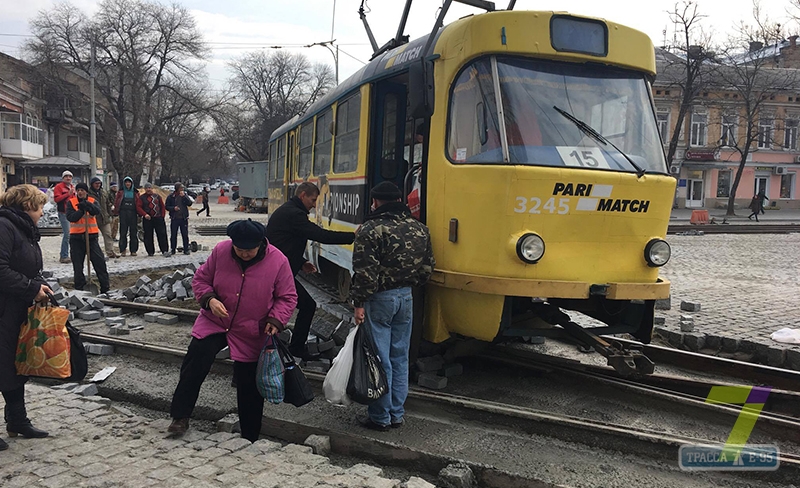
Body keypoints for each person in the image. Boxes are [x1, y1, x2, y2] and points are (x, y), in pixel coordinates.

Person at [168, 219, 297, 441]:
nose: (244, 254)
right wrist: (209, 300)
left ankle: (250, 435)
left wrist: (276, 320)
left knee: (249, 383)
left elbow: (287, 297)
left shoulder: (278, 261)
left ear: (261, 243)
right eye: (239, 249)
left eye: (250, 250)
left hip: (251, 328)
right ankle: (180, 416)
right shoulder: (221, 251)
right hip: (215, 320)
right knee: (195, 362)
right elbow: (201, 280)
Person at [350, 181, 435, 431]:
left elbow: (365, 272)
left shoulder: (371, 229)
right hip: (406, 297)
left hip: (379, 299)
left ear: (375, 202)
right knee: (400, 357)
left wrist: (358, 303)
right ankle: (397, 413)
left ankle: (380, 416)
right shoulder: (420, 229)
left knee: (379, 358)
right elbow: (427, 268)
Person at [265, 182, 355, 360]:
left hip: (276, 270)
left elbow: (283, 243)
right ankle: (295, 348)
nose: (314, 205)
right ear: (303, 195)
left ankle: (283, 344)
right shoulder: (294, 214)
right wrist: (353, 236)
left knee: (296, 305)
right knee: (307, 305)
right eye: (313, 200)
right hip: (276, 273)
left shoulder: (289, 211)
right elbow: (320, 235)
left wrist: (301, 262)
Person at [0, 185, 53, 451]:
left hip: (17, 309)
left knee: (15, 365)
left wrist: (41, 286)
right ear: (26, 206)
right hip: (3, 309)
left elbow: (29, 267)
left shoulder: (23, 230)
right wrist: (32, 289)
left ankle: (17, 420)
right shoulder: (4, 227)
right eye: (40, 206)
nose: (43, 213)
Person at [66, 183, 110, 294]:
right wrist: (81, 210)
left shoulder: (92, 200)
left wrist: (88, 206)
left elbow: (97, 211)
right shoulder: (71, 202)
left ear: (86, 191)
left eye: (82, 190)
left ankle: (105, 288)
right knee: (78, 266)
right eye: (78, 190)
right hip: (76, 239)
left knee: (99, 263)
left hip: (91, 238)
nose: (80, 192)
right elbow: (71, 217)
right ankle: (79, 289)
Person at [136, 183, 170, 257]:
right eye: (147, 188)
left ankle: (164, 250)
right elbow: (138, 207)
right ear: (145, 189)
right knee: (148, 236)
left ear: (152, 188)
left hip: (158, 218)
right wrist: (144, 214)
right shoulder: (142, 198)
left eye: (150, 188)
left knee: (162, 234)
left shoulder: (157, 196)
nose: (148, 189)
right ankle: (150, 251)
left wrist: (162, 216)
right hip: (148, 219)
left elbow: (162, 206)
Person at [88, 177, 118, 259]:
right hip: (93, 218)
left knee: (108, 234)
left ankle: (110, 252)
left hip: (104, 217)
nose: (98, 185)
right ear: (92, 184)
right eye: (96, 183)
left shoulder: (103, 192)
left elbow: (107, 202)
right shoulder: (88, 193)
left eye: (99, 183)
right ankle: (94, 253)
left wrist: (111, 212)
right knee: (94, 237)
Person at [53, 170, 75, 263]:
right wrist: (67, 194)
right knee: (67, 234)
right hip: (63, 213)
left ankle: (71, 254)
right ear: (63, 178)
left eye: (70, 176)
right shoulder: (59, 187)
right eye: (66, 176)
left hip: (72, 213)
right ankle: (64, 255)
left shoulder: (72, 187)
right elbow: (57, 199)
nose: (68, 178)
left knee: (72, 234)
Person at [113, 177, 139, 256]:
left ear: (132, 183)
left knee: (133, 233)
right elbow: (116, 202)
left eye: (129, 182)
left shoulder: (135, 192)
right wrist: (115, 211)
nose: (128, 184)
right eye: (126, 182)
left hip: (133, 213)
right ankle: (123, 250)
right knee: (123, 232)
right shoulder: (120, 192)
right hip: (123, 213)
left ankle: (133, 250)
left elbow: (139, 202)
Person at [165, 183, 193, 255]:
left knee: (185, 234)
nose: (182, 189)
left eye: (182, 188)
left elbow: (189, 203)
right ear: (177, 188)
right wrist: (173, 208)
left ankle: (186, 249)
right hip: (174, 218)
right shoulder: (171, 196)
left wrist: (184, 197)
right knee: (173, 235)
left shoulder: (184, 195)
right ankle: (173, 249)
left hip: (183, 218)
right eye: (181, 188)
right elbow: (167, 206)